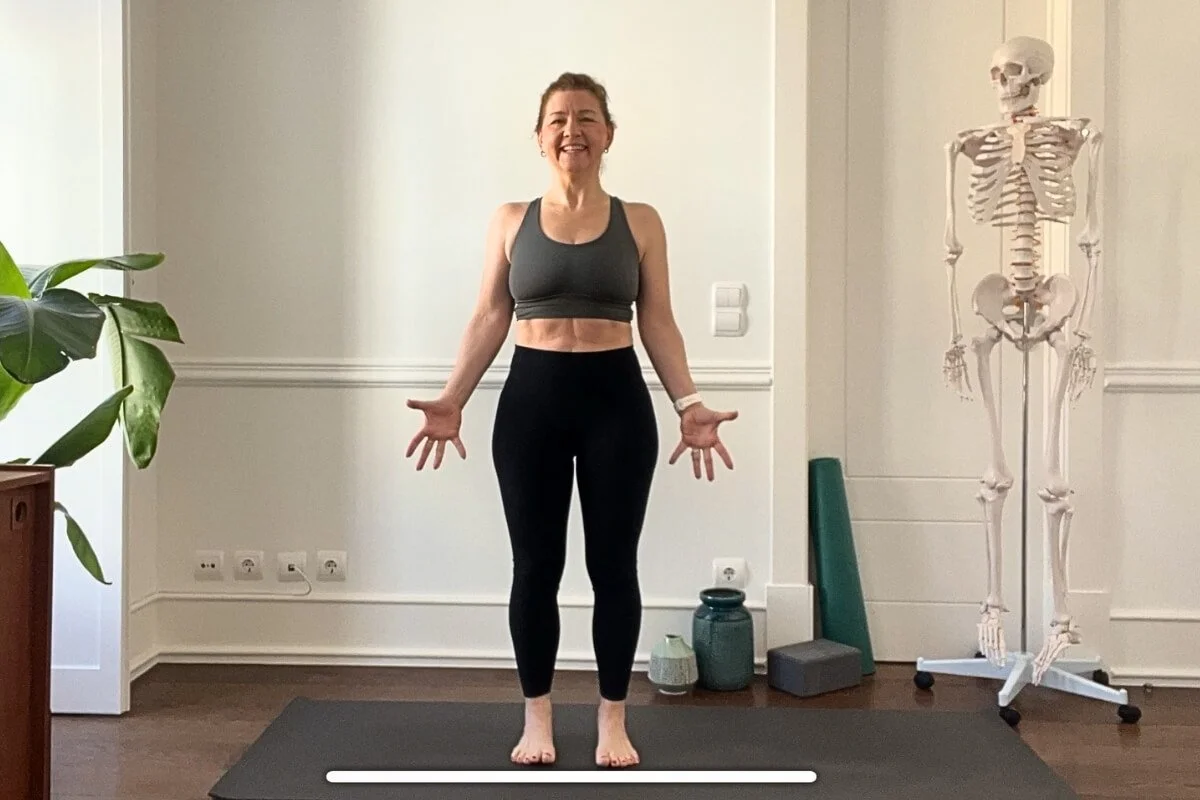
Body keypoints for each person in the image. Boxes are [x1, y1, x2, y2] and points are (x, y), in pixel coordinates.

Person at [405, 72, 738, 769]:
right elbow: (489, 317)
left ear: (609, 133)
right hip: (531, 404)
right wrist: (453, 397)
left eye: (586, 117)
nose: (572, 130)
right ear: (539, 136)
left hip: (616, 402)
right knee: (536, 567)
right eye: (558, 118)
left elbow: (660, 321)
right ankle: (537, 717)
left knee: (613, 565)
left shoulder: (640, 220)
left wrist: (688, 404)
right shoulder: (508, 219)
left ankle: (613, 719)